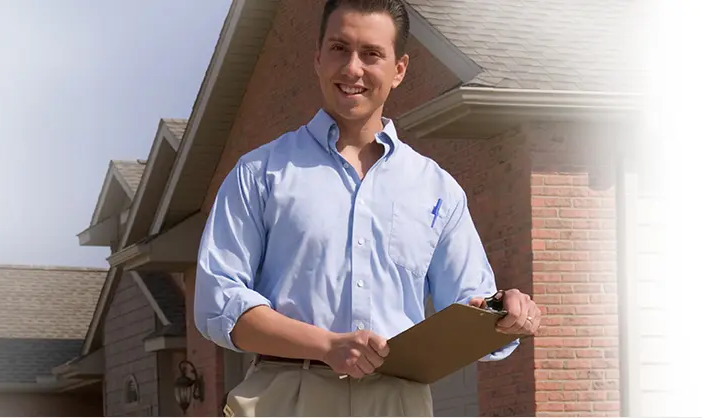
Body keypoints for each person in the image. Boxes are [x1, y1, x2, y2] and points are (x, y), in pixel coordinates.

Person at [194, 0, 541, 416]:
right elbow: (219, 303)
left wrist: (505, 313)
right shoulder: (259, 173)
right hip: (284, 401)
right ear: (318, 57)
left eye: (371, 54)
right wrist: (328, 345)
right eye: (340, 48)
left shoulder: (438, 189)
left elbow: (471, 304)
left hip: (398, 401)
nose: (353, 69)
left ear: (399, 69)